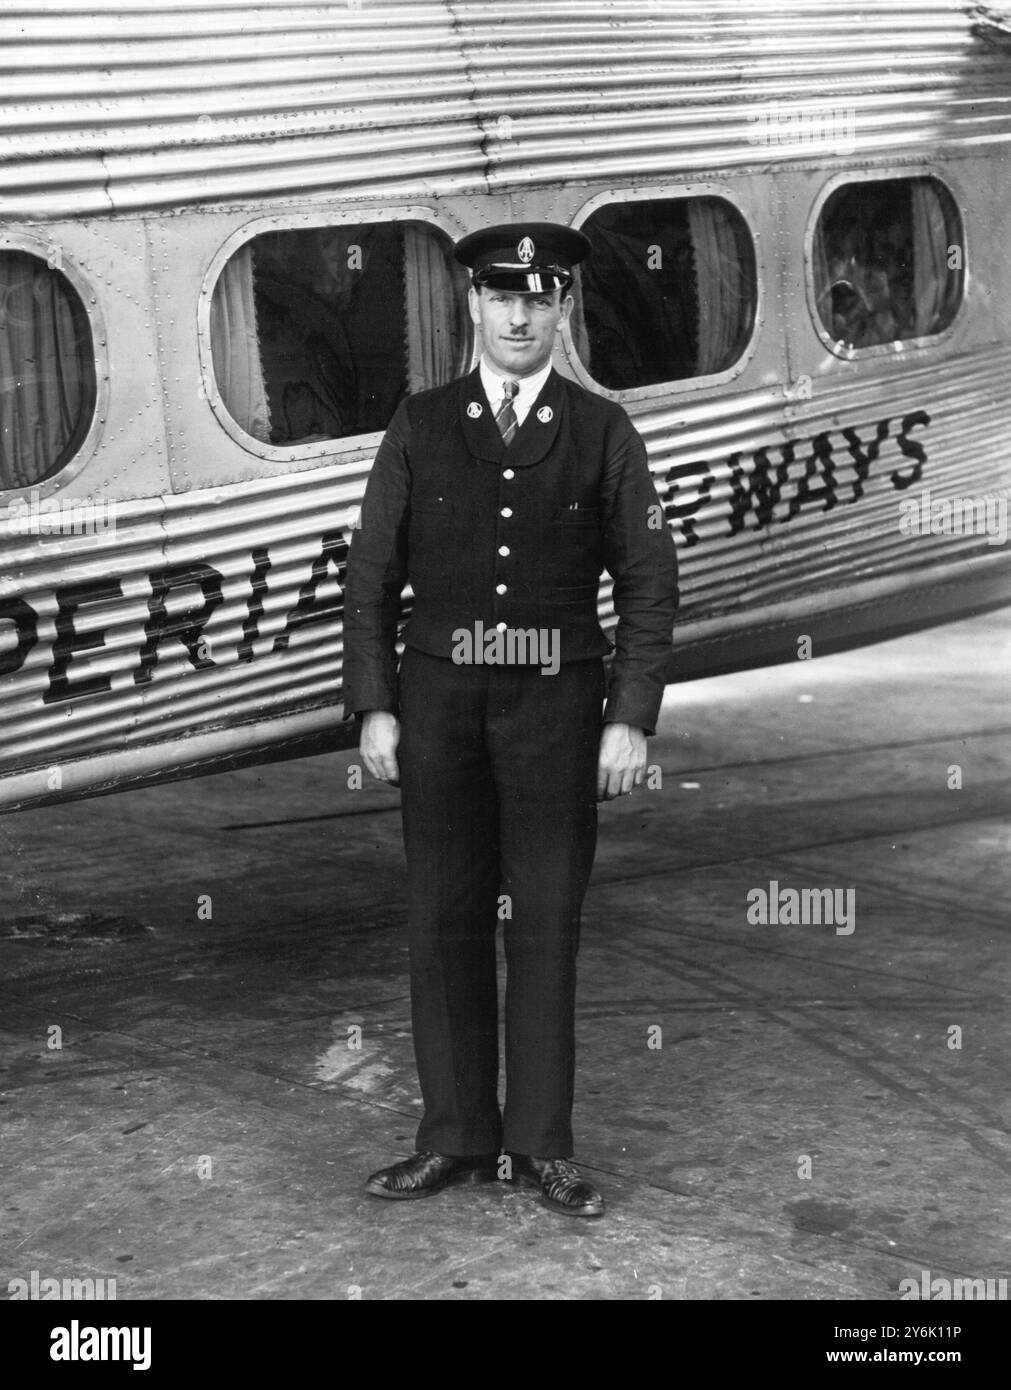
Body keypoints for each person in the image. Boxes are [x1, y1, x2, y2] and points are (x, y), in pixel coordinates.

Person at [342, 221, 679, 1217]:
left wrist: (631, 716)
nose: (520, 314)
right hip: (439, 706)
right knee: (443, 918)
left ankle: (542, 1146)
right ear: (474, 307)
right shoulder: (422, 420)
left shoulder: (602, 428)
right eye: (501, 297)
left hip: (556, 709)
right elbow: (371, 575)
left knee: (544, 923)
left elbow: (649, 581)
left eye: (539, 298)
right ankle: (452, 1137)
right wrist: (373, 704)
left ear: (563, 307)